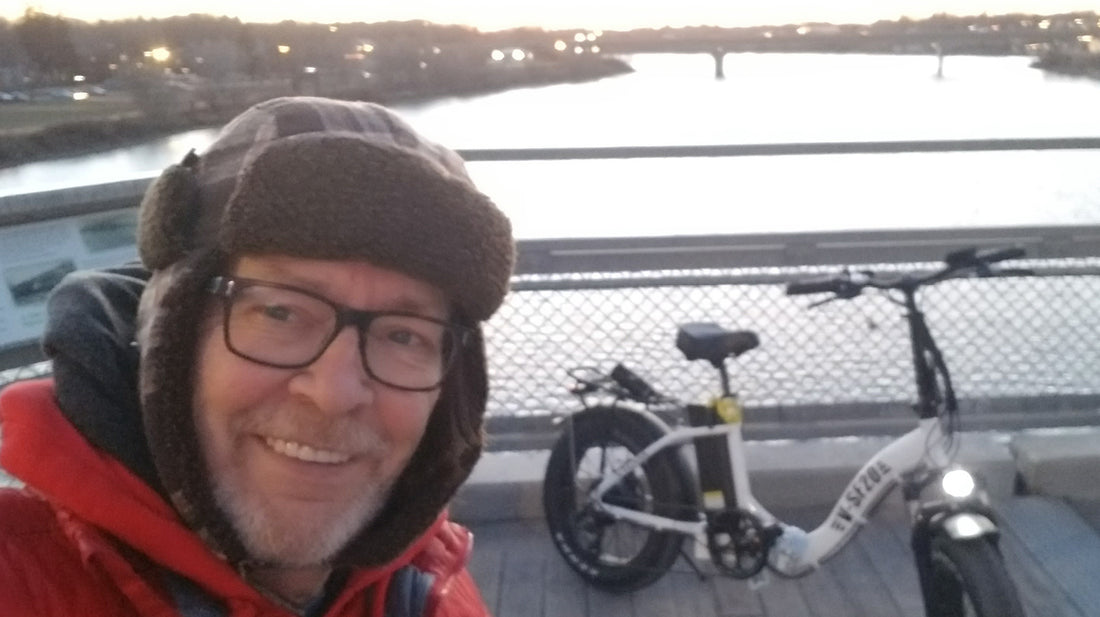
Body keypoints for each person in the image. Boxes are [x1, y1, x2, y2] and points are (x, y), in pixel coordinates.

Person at [0, 96, 515, 616]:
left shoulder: (433, 585)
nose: (334, 394)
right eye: (280, 313)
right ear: (170, 340)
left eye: (404, 336)